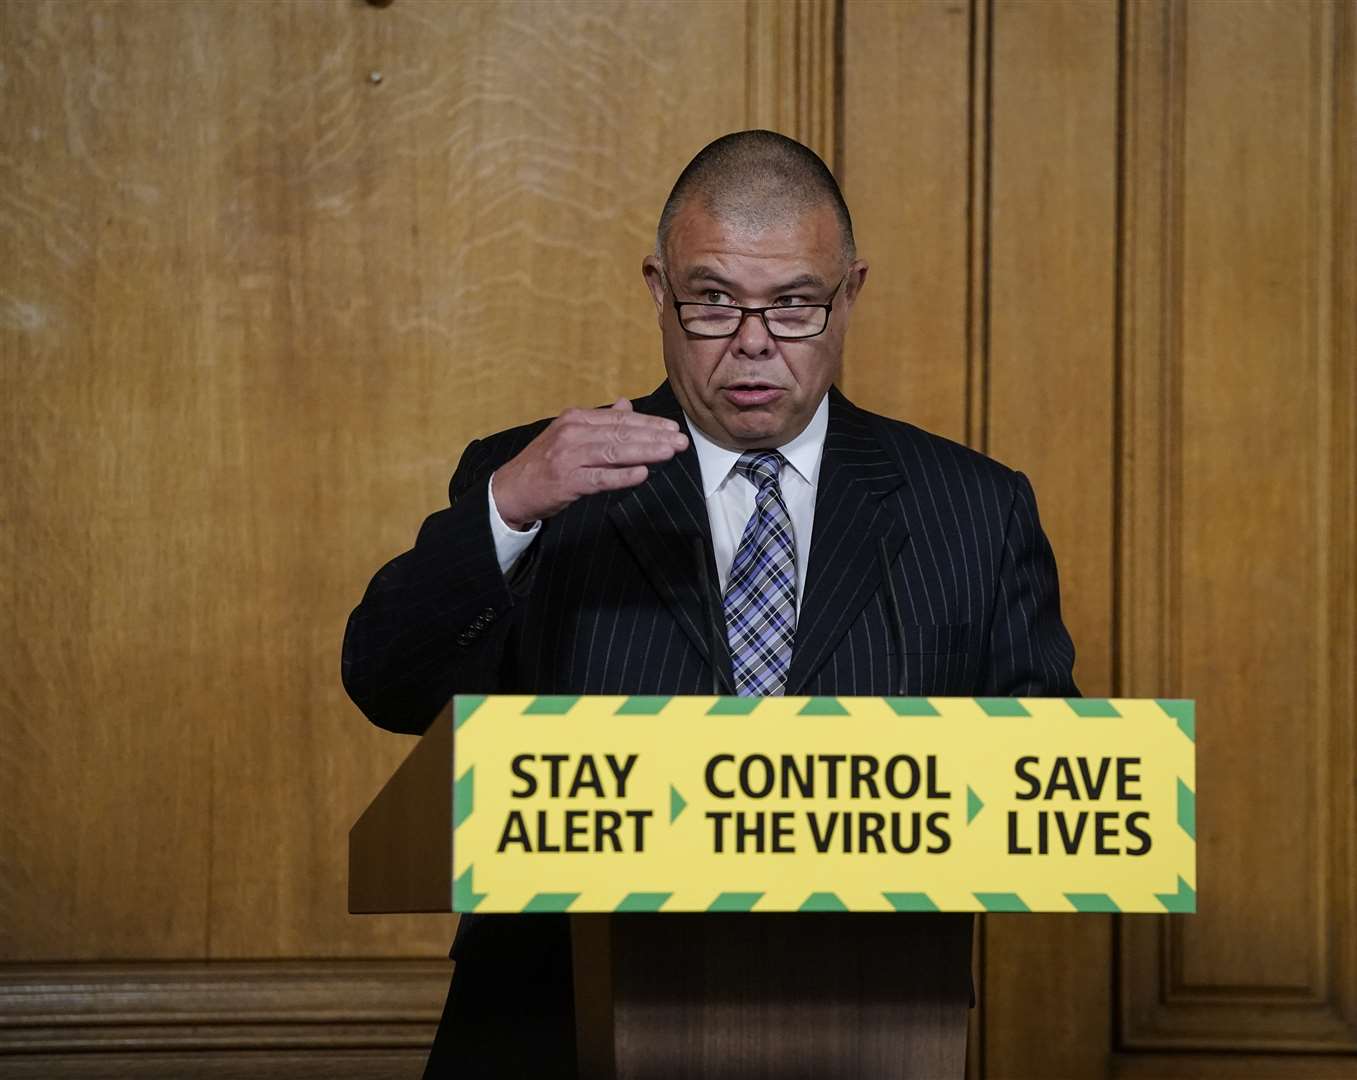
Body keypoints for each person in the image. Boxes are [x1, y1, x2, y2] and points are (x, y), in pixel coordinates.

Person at [342, 130, 1078, 1078]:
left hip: (866, 1029)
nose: (754, 344)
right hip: (549, 1028)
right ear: (658, 287)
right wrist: (504, 511)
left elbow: (1049, 791)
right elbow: (389, 687)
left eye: (796, 305)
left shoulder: (974, 508)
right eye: (714, 301)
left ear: (849, 293)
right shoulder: (534, 478)